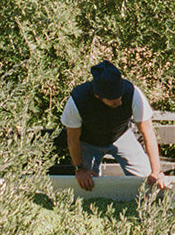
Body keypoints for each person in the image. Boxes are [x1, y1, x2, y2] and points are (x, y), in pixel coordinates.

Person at [60, 60, 167, 191]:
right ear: (98, 96)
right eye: (114, 102)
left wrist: (156, 171)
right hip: (88, 142)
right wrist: (80, 169)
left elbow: (148, 133)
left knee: (147, 177)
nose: (120, 103)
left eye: (121, 97)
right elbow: (72, 139)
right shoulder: (77, 101)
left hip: (121, 136)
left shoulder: (133, 94)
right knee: (86, 184)